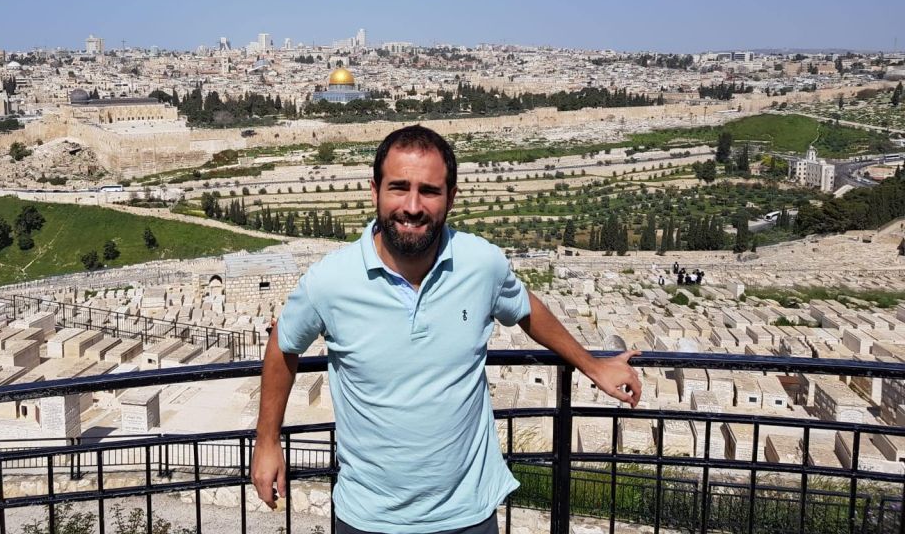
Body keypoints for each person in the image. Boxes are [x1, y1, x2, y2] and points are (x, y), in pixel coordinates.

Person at [252, 125, 642, 534]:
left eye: (430, 191)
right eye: (399, 187)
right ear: (375, 191)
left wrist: (591, 364)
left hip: (468, 512)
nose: (413, 206)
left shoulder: (481, 263)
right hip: (368, 515)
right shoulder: (329, 281)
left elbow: (526, 309)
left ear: (451, 198)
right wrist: (267, 442)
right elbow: (283, 344)